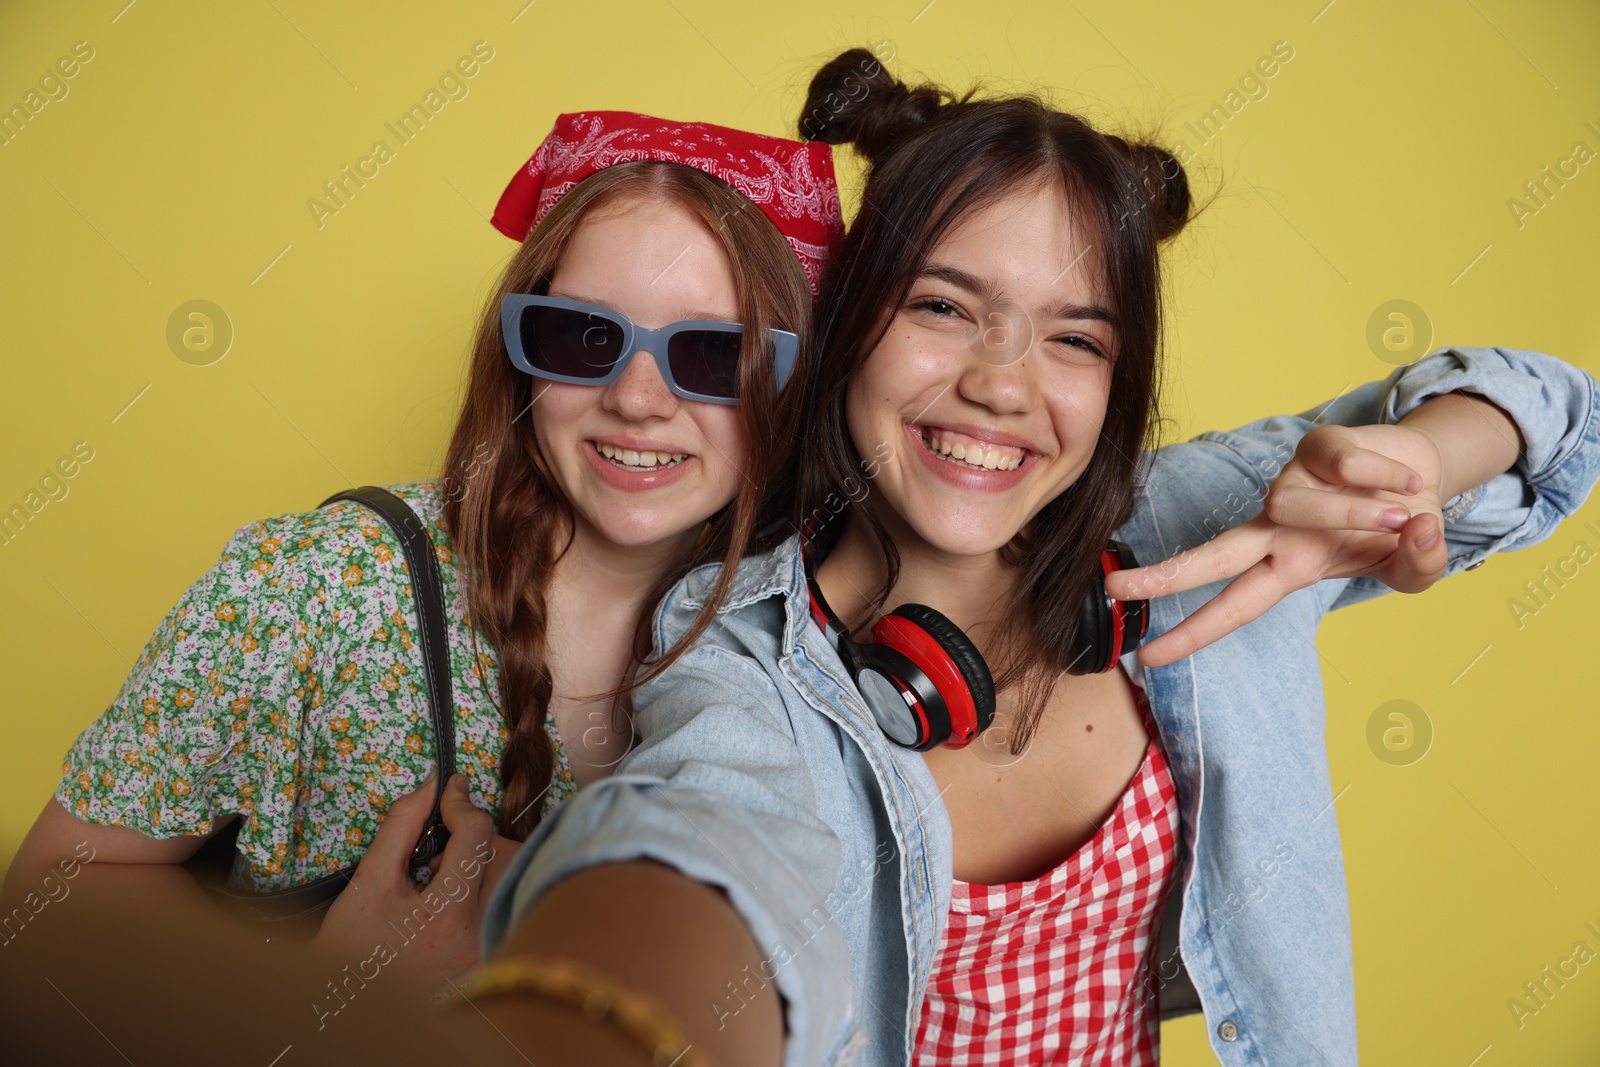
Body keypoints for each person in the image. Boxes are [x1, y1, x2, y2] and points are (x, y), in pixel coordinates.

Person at [473, 52, 1600, 1066]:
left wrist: (1412, 455)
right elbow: (694, 835)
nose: (1003, 384)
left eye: (1073, 337)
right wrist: (591, 1006)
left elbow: (1554, 403)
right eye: (942, 306)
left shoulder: (1202, 528)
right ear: (848, 322)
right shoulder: (743, 652)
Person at [3, 111, 842, 999]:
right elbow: (45, 908)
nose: (637, 399)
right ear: (521, 356)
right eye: (583, 338)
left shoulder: (800, 658)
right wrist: (324, 989)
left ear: (789, 382)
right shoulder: (319, 587)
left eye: (713, 354)